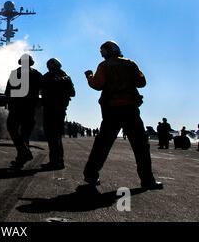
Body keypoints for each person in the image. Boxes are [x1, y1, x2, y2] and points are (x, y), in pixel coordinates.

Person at [80, 41, 163, 191]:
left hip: (111, 110)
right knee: (141, 146)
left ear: (104, 53)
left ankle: (90, 175)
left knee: (102, 144)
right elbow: (141, 82)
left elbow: (97, 85)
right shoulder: (130, 63)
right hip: (130, 109)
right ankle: (147, 180)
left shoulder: (103, 66)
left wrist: (89, 76)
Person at [5, 54, 42, 169]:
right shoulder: (37, 74)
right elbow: (43, 90)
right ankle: (21, 158)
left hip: (16, 108)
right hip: (30, 109)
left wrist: (9, 103)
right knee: (25, 134)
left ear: (20, 62)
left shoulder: (15, 73)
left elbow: (8, 91)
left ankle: (24, 154)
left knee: (12, 129)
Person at [40, 58, 75, 170]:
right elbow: (73, 93)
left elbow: (40, 91)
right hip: (61, 110)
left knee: (51, 136)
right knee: (57, 136)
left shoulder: (46, 77)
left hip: (50, 109)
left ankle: (55, 162)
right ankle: (59, 161)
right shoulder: (66, 77)